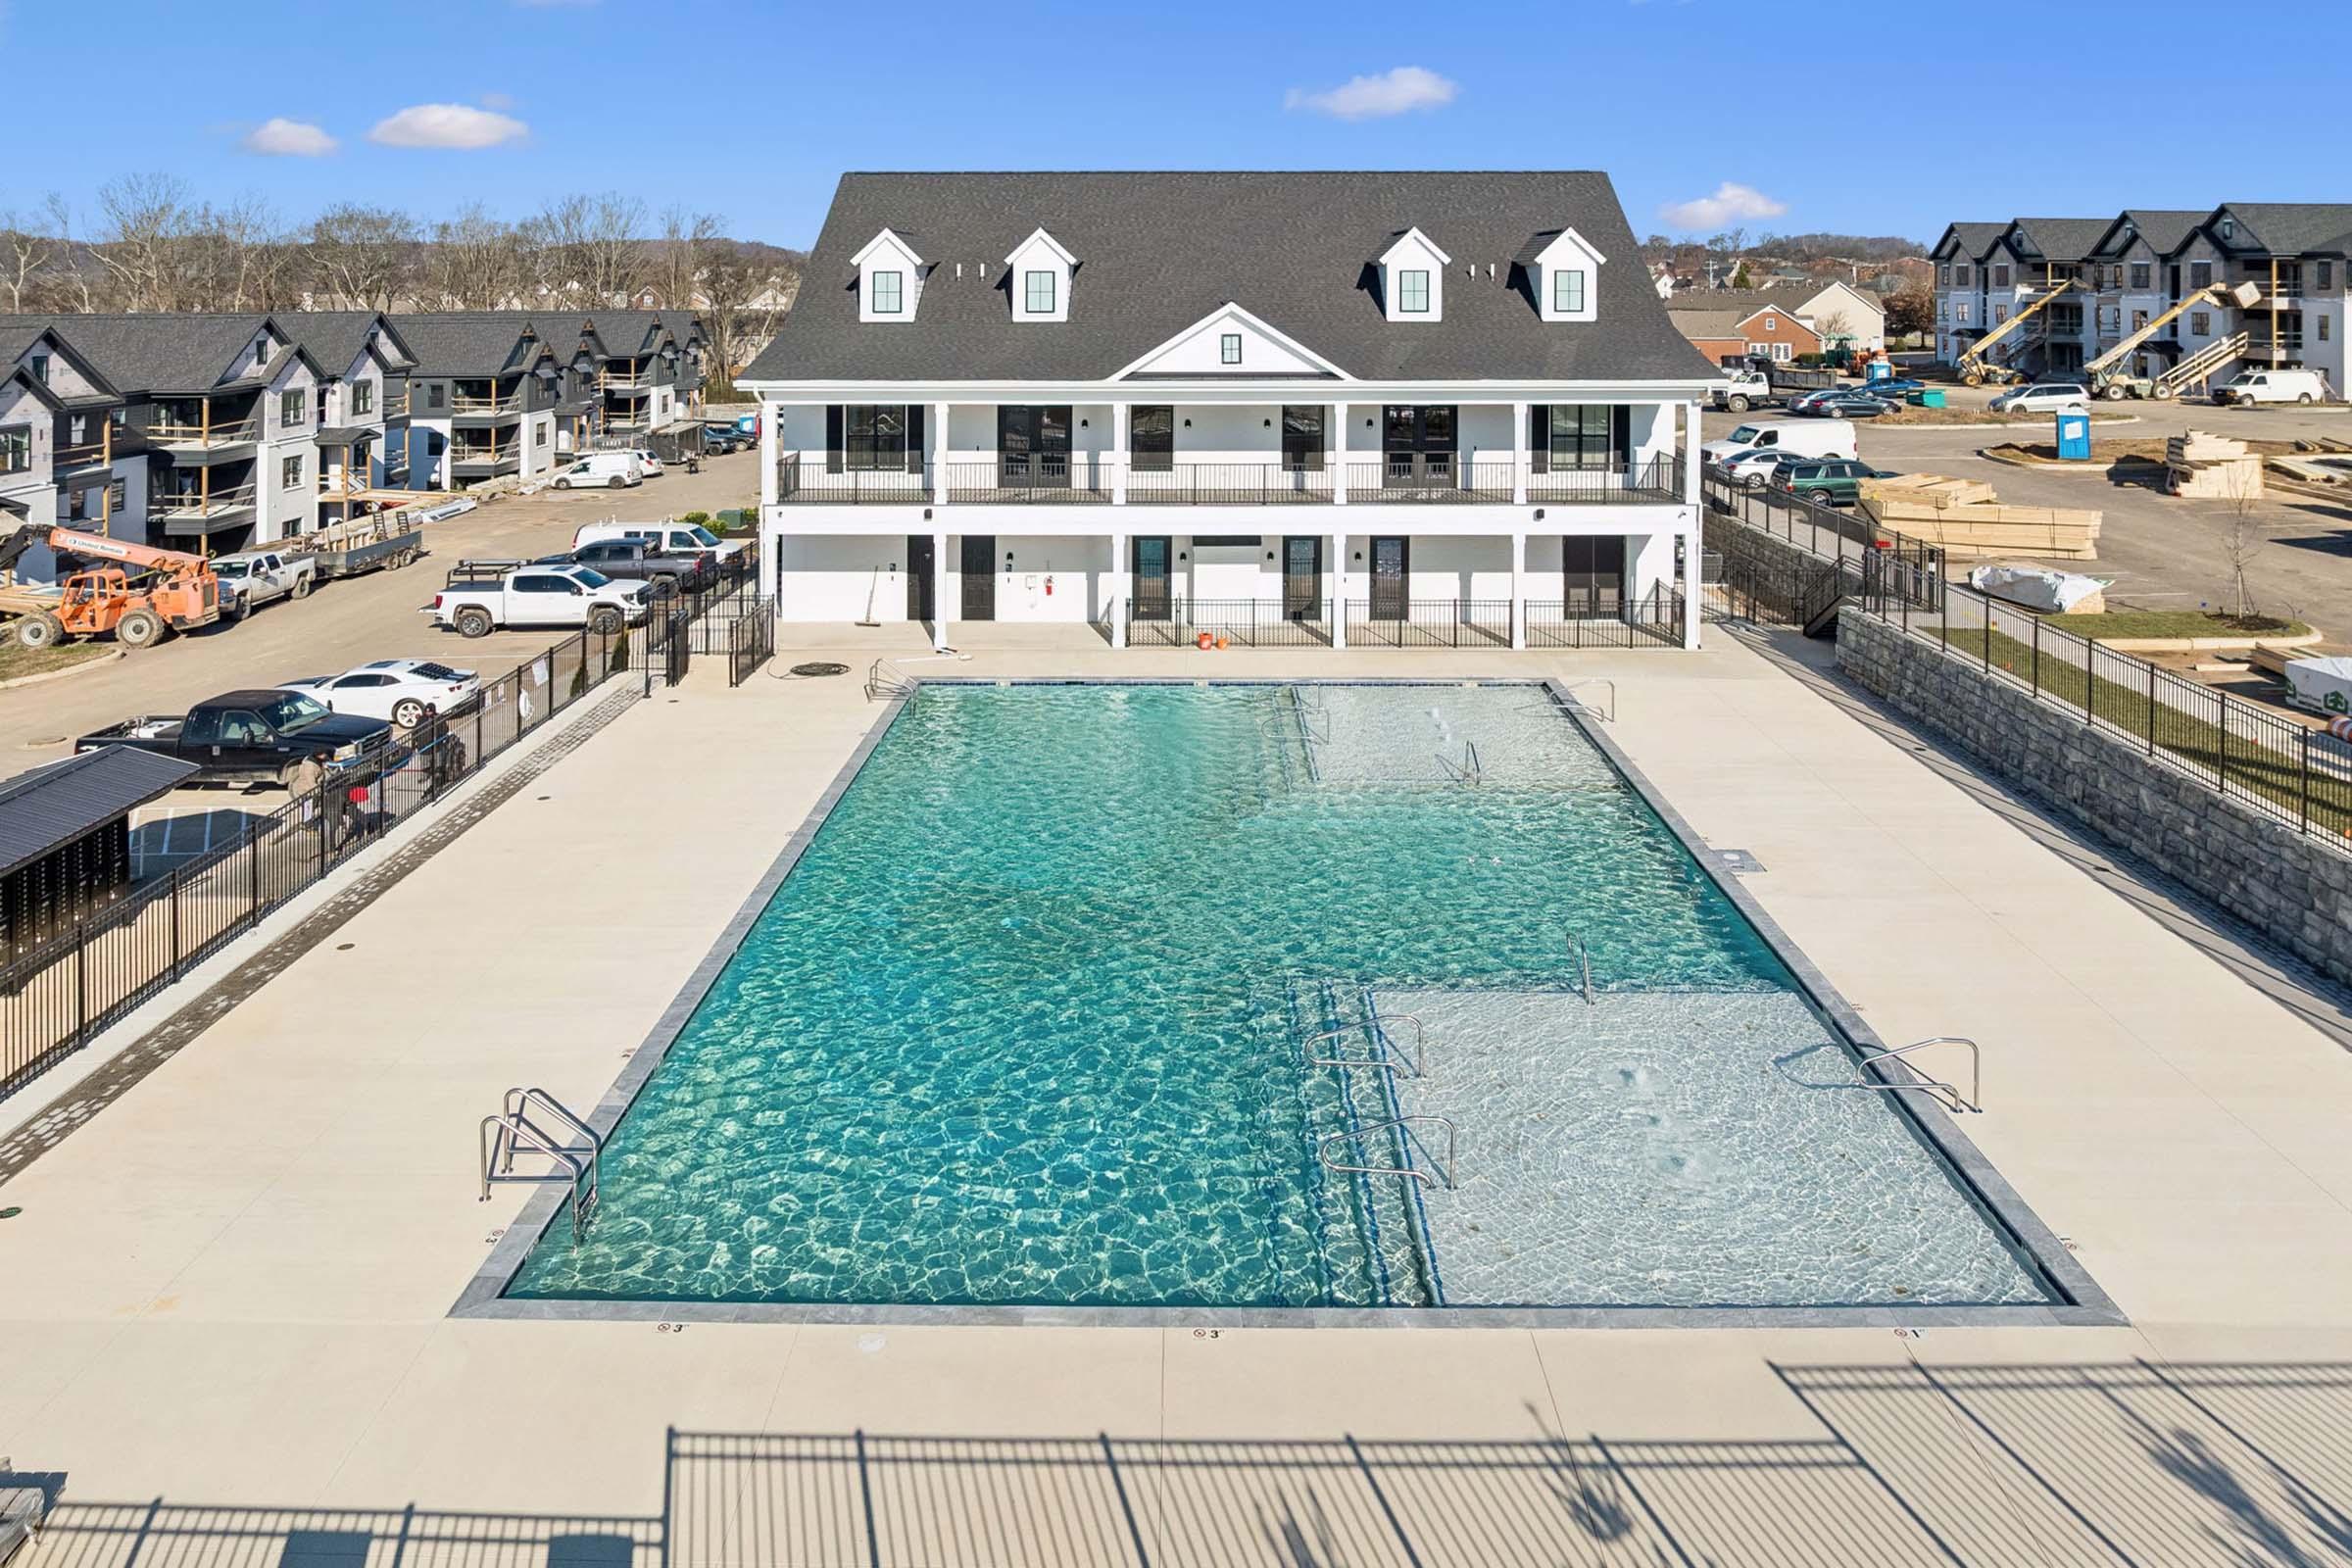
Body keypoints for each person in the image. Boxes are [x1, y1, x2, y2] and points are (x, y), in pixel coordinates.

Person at [287, 751, 327, 831]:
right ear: (318, 755)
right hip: (307, 790)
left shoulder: (318, 761)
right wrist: (321, 791)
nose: (325, 755)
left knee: (312, 807)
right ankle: (307, 826)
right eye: (323, 754)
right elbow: (310, 782)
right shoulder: (309, 766)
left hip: (313, 790)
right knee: (308, 808)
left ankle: (308, 823)